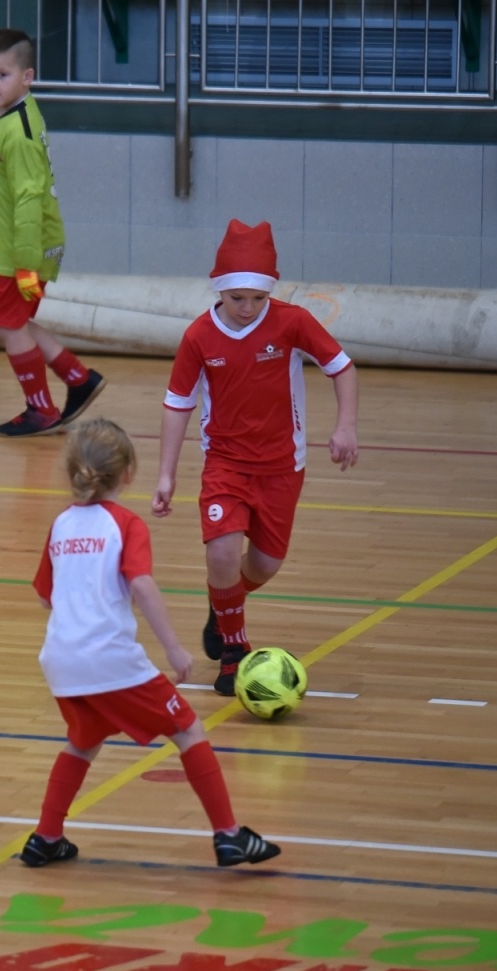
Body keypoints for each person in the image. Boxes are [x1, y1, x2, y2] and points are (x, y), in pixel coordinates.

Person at [23, 418, 281, 869]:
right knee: (188, 730)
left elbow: (46, 597)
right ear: (127, 473)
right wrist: (176, 650)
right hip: (109, 659)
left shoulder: (61, 525)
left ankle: (46, 837)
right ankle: (228, 835)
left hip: (60, 661)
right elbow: (141, 587)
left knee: (82, 743)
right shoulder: (126, 524)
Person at [151, 219, 359, 696]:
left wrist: (345, 424)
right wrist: (165, 475)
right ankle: (235, 648)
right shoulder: (199, 337)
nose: (247, 309)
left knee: (262, 565)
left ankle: (223, 606)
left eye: (257, 299)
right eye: (236, 298)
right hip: (224, 463)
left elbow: (343, 369)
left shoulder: (292, 322)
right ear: (218, 290)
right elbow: (177, 404)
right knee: (222, 551)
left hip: (283, 467)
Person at [0, 27, 105, 438]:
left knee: (9, 324)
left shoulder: (18, 132)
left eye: (2, 75)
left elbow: (29, 201)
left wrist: (26, 265)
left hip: (21, 252)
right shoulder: (11, 115)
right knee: (15, 322)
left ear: (26, 76)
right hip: (16, 249)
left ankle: (41, 410)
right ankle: (78, 378)